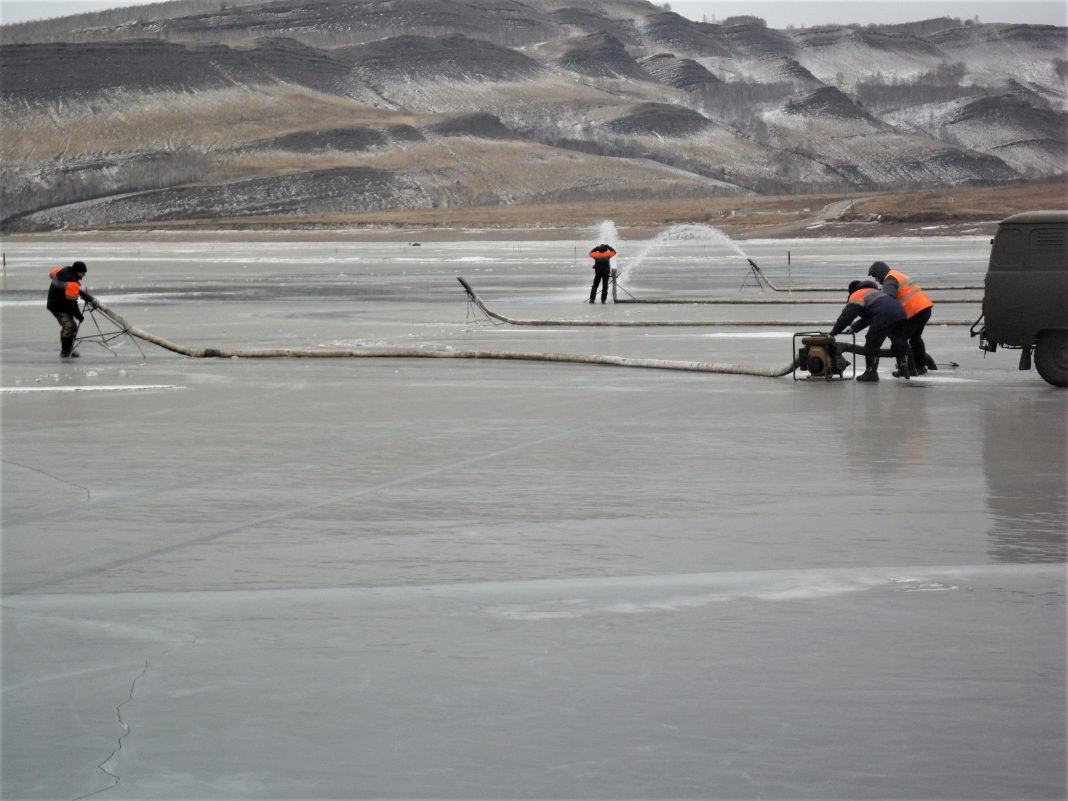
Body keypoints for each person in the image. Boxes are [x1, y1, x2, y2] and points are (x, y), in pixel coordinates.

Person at [829, 279, 911, 382]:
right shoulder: (876, 292)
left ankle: (871, 373)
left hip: (884, 314)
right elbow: (869, 317)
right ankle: (904, 368)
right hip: (901, 313)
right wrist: (853, 328)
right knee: (899, 342)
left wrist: (834, 331)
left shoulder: (857, 294)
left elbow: (847, 316)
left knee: (872, 343)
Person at [868, 260, 934, 376]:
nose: (876, 280)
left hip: (914, 310)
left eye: (876, 277)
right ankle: (920, 366)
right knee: (915, 338)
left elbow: (888, 299)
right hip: (924, 308)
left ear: (880, 272)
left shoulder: (889, 279)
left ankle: (909, 368)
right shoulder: (897, 274)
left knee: (900, 338)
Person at [46, 261, 89, 358]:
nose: (84, 275)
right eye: (83, 272)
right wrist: (79, 315)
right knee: (69, 326)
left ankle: (69, 348)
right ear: (78, 271)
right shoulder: (72, 282)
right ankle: (65, 351)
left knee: (73, 327)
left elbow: (53, 276)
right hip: (58, 307)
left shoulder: (64, 271)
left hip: (58, 303)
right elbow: (72, 303)